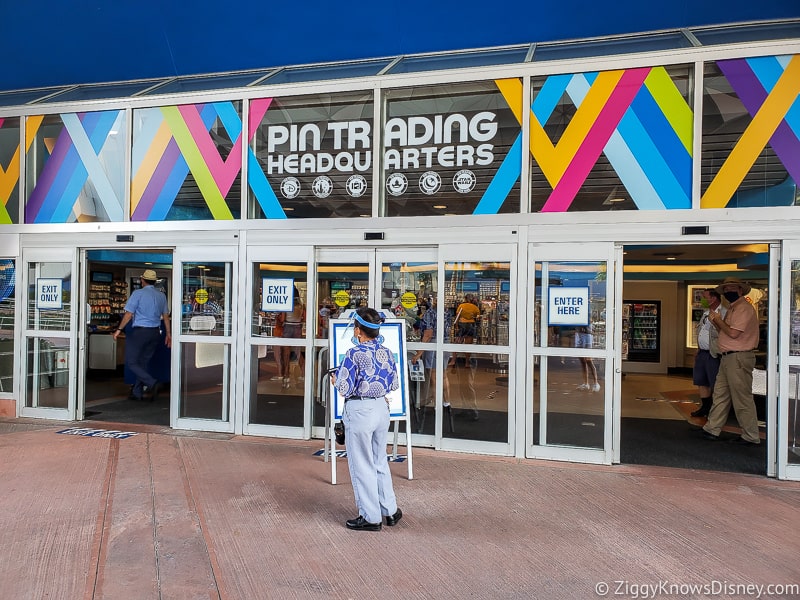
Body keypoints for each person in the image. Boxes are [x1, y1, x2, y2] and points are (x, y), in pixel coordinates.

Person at [332, 307, 402, 531]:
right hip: (382, 408)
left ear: (359, 330)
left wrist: (335, 379)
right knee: (379, 460)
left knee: (361, 464)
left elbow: (345, 388)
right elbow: (394, 384)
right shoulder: (387, 352)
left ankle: (370, 517)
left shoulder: (354, 354)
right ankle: (389, 511)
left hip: (360, 411)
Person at [702, 277, 761, 445]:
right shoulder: (733, 308)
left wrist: (718, 320)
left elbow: (734, 333)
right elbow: (727, 330)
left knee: (742, 397)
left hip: (739, 357)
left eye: (732, 288)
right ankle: (712, 428)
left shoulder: (743, 308)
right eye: (726, 289)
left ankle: (750, 435)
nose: (728, 292)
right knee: (720, 394)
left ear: (740, 290)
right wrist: (716, 322)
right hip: (728, 357)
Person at [113, 269, 171, 401]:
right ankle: (137, 392)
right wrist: (168, 334)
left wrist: (119, 329)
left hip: (140, 332)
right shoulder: (161, 296)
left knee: (131, 362)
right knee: (143, 362)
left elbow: (128, 314)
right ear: (155, 281)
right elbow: (166, 316)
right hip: (155, 332)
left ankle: (152, 383)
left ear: (142, 280)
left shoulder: (137, 293)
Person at [691, 289, 726, 418]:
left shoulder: (723, 313)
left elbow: (724, 332)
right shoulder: (706, 313)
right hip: (702, 352)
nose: (702, 300)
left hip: (714, 353)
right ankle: (704, 407)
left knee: (715, 382)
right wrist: (699, 348)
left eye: (705, 297)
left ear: (713, 298)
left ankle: (716, 410)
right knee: (701, 381)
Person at [279, 287, 305, 389]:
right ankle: (303, 374)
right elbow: (304, 318)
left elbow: (282, 319)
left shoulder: (287, 305)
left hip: (288, 327)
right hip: (298, 327)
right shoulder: (302, 305)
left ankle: (286, 375)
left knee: (286, 353)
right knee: (298, 352)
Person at [575, 325, 600, 392]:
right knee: (582, 361)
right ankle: (586, 383)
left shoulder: (587, 315)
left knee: (589, 360)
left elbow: (589, 322)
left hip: (587, 335)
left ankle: (596, 383)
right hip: (579, 334)